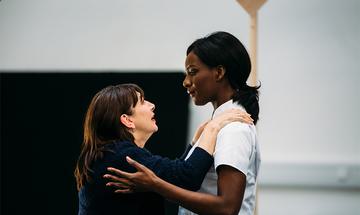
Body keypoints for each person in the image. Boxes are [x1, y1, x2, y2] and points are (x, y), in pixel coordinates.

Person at [105, 31, 261, 215]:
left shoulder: (233, 129)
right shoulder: (215, 126)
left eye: (193, 72)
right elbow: (182, 176)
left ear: (219, 72)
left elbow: (227, 208)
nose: (186, 82)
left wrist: (155, 184)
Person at [74, 83, 252, 215]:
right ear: (127, 120)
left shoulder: (111, 153)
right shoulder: (124, 157)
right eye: (142, 102)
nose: (152, 105)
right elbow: (186, 177)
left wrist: (194, 142)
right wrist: (214, 127)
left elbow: (171, 176)